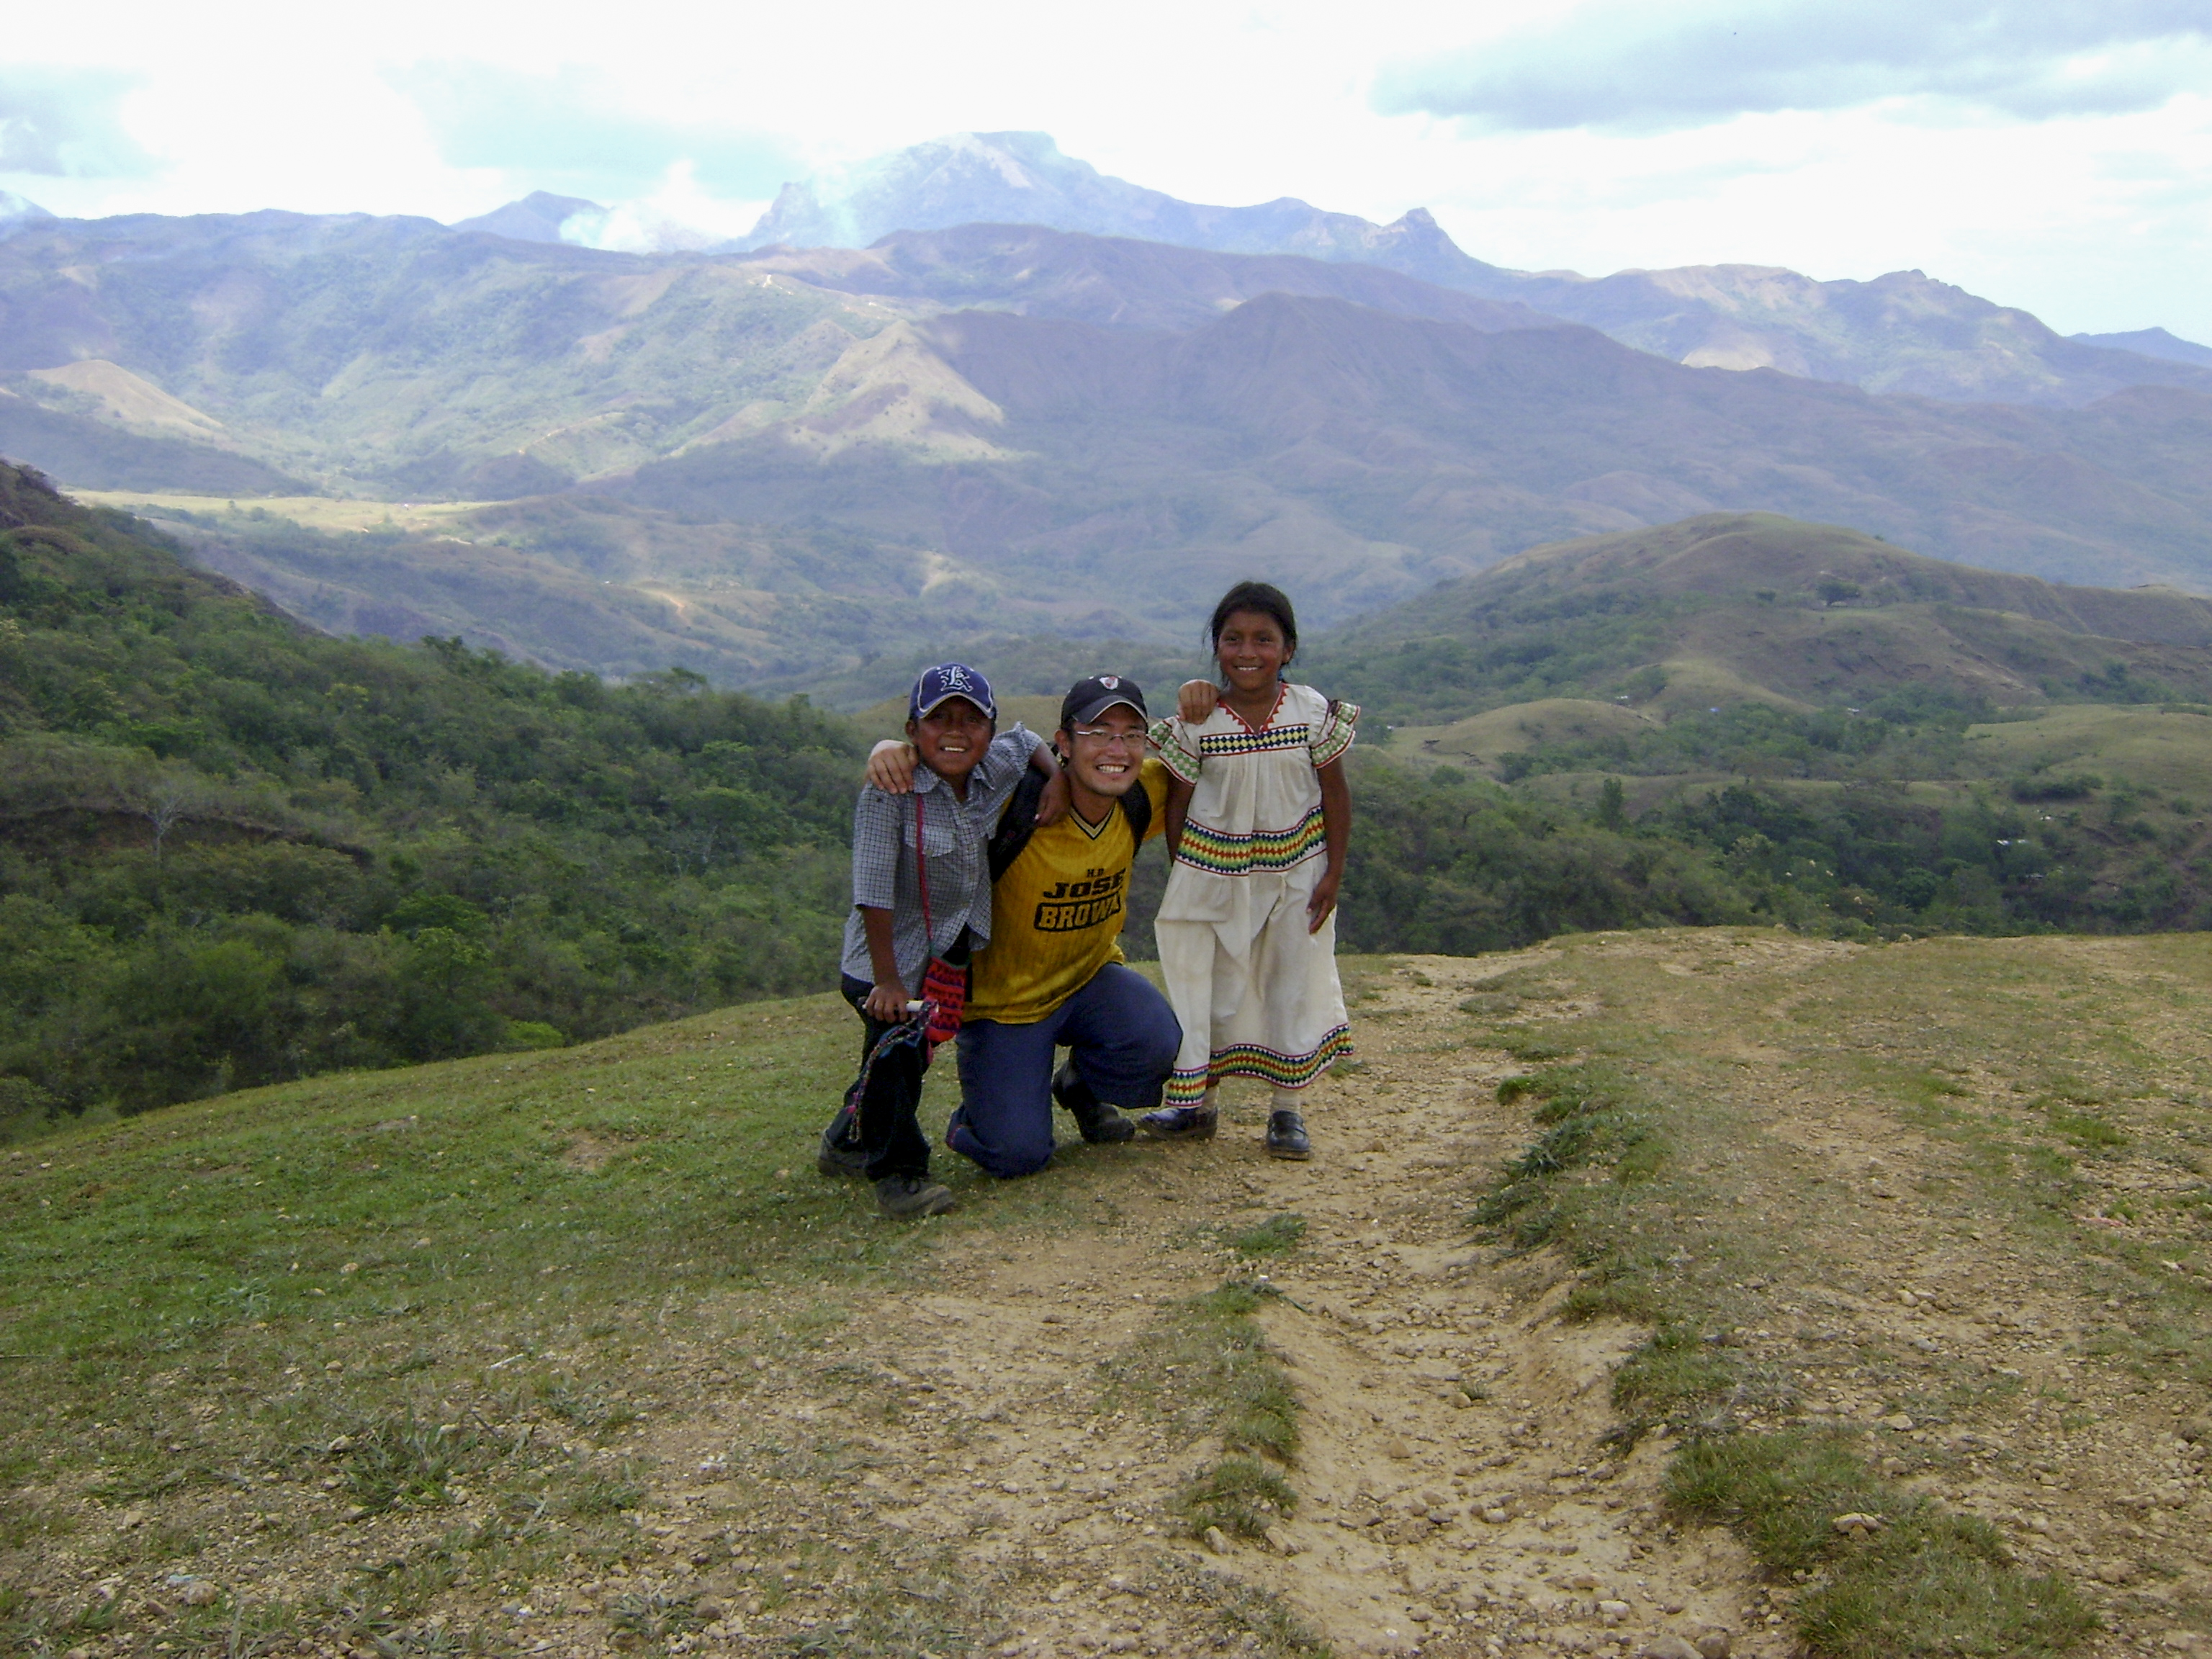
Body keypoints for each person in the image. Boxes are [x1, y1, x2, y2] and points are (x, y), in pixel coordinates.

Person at [866, 675, 1182, 1177]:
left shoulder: (1144, 791)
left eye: (1130, 735)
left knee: (1158, 1042)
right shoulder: (1014, 803)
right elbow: (950, 770)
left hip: (1088, 979)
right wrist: (893, 751)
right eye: (1098, 733)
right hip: (1003, 1005)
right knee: (1017, 1155)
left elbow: (1231, 758)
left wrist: (1207, 697)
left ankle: (1080, 1086)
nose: (1115, 750)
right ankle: (984, 1119)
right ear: (1065, 742)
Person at [819, 664, 1063, 1218]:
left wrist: (1057, 778)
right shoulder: (891, 792)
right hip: (887, 961)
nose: (956, 731)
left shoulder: (992, 767)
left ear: (988, 729)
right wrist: (888, 981)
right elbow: (873, 890)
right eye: (940, 720)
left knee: (899, 1062)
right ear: (913, 731)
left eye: (972, 720)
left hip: (944, 954)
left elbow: (1027, 742)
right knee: (897, 1063)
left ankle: (843, 1142)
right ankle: (899, 1177)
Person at [1143, 581, 1356, 1159]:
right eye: (1233, 638)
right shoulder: (1200, 721)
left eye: (1265, 639)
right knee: (1211, 988)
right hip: (1214, 873)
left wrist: (1333, 873)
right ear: (1216, 648)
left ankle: (1286, 1113)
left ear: (1288, 648)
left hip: (1297, 875)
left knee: (1289, 983)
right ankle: (1199, 1105)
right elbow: (1178, 802)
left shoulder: (1311, 712)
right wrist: (1184, 869)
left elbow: (1335, 794)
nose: (1248, 651)